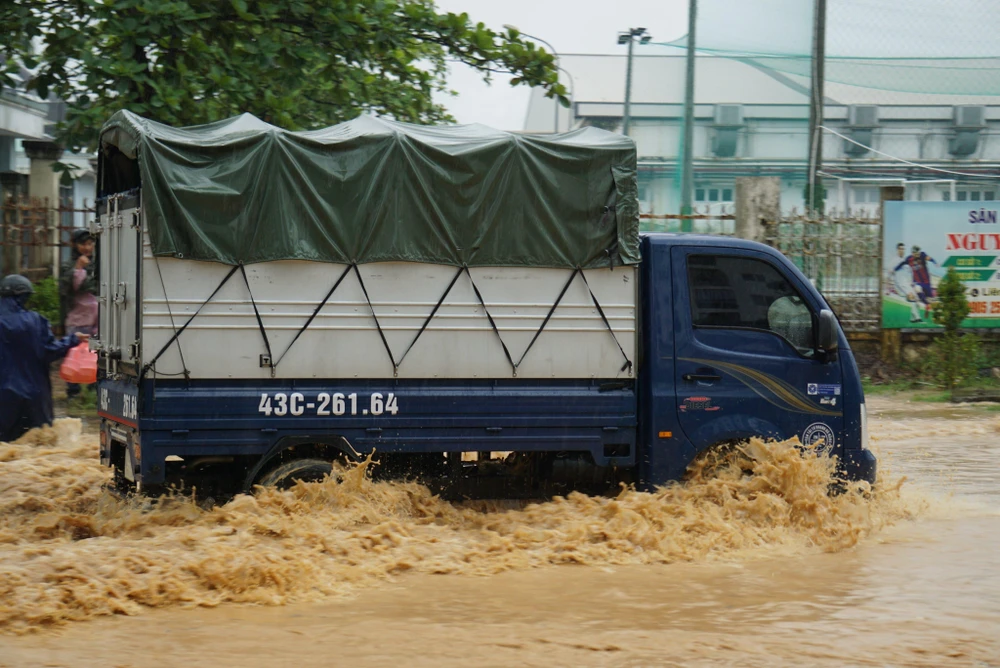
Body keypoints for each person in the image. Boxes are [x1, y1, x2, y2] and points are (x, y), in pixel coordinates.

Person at [0, 274, 88, 442]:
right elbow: (50, 351)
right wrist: (73, 339)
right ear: (24, 296)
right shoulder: (35, 321)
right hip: (35, 397)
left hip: (3, 398)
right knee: (40, 444)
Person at [60, 229, 98, 398]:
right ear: (75, 245)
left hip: (96, 318)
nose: (87, 248)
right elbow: (68, 288)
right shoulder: (68, 265)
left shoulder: (98, 263)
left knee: (94, 354)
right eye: (83, 244)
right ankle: (73, 392)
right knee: (74, 354)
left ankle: (93, 390)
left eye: (90, 243)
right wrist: (78, 268)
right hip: (77, 318)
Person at [894, 245, 938, 323]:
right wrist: (895, 269)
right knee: (917, 291)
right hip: (917, 282)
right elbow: (902, 263)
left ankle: (917, 316)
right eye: (916, 253)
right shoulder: (909, 259)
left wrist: (934, 262)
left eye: (918, 253)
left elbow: (929, 258)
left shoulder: (922, 255)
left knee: (931, 301)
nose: (918, 255)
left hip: (926, 282)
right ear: (913, 253)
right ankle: (924, 308)